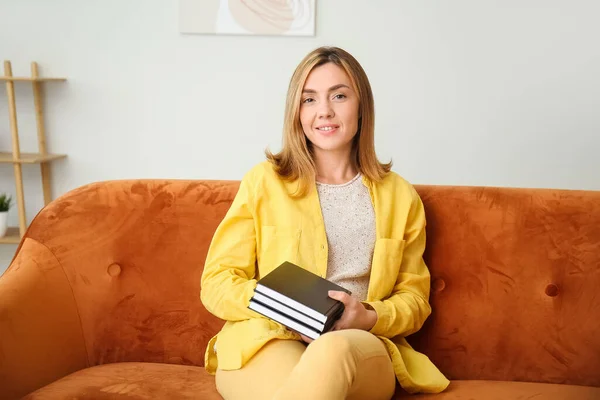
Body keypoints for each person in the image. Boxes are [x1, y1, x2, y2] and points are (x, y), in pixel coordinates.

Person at [200, 46, 450, 400]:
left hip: (358, 346)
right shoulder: (263, 183)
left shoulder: (400, 196)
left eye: (339, 95)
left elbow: (414, 299)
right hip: (269, 338)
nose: (325, 111)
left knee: (330, 352)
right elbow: (217, 282)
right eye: (309, 100)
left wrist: (367, 317)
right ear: (296, 112)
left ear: (361, 106)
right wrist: (284, 310)